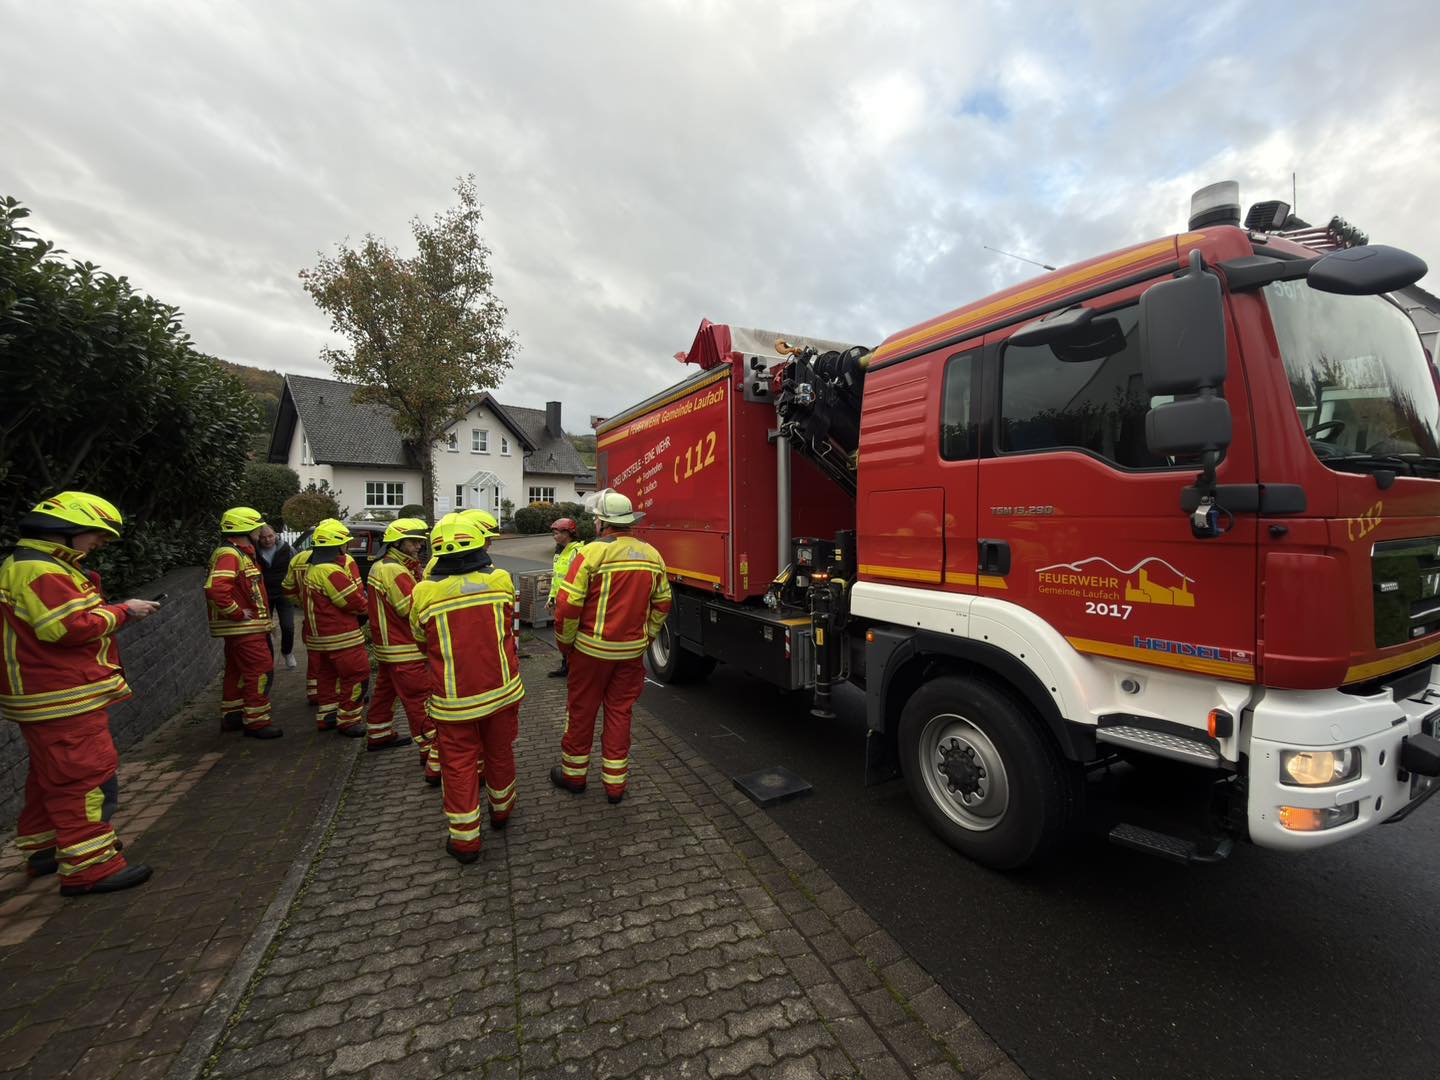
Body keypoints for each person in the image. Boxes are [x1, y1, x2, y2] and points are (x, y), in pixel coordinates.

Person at [0, 491, 158, 895]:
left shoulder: (33, 565)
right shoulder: (41, 570)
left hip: (44, 692)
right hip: (61, 691)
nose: (100, 543)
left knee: (50, 775)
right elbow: (67, 627)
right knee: (85, 777)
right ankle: (90, 866)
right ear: (66, 529)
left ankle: (45, 849)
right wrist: (124, 611)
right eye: (95, 534)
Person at [410, 513, 522, 864]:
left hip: (454, 699)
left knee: (458, 764)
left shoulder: (424, 592)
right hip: (502, 690)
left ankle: (465, 841)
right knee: (499, 751)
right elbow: (508, 624)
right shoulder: (501, 580)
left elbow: (419, 640)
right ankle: (501, 811)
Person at [550, 490, 671, 803]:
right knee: (620, 712)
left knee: (581, 712)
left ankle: (574, 777)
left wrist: (565, 644)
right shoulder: (652, 554)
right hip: (631, 653)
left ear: (602, 523)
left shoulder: (590, 554)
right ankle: (615, 785)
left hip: (591, 651)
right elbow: (663, 603)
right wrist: (647, 637)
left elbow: (568, 606)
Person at [205, 506, 281, 739]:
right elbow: (216, 589)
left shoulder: (238, 553)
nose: (260, 533)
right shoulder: (231, 555)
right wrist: (237, 613)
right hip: (246, 630)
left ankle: (233, 715)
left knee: (236, 671)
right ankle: (257, 722)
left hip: (243, 630)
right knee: (260, 671)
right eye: (257, 528)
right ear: (245, 529)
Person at [364, 518, 430, 757]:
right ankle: (431, 750)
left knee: (384, 693)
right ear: (398, 543)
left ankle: (379, 734)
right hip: (404, 647)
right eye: (413, 542)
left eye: (419, 542)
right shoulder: (393, 569)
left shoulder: (384, 565)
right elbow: (408, 608)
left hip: (388, 647)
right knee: (419, 699)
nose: (418, 546)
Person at [302, 519, 370, 736]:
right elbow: (353, 602)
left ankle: (327, 715)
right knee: (357, 675)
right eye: (345, 543)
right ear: (338, 545)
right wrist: (366, 606)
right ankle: (349, 720)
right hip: (341, 636)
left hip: (320, 637)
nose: (347, 547)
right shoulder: (331, 571)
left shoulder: (313, 568)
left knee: (328, 677)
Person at [545, 517, 584, 678]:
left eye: (557, 533)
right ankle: (566, 666)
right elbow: (557, 579)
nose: (554, 536)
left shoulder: (577, 551)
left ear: (567, 533)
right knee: (562, 635)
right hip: (561, 601)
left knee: (573, 636)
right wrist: (551, 599)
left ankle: (575, 669)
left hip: (572, 602)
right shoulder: (559, 552)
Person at [256, 524, 297, 670]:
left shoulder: (287, 549)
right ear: (258, 538)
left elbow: (296, 568)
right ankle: (269, 659)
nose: (267, 540)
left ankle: (287, 652)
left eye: (270, 536)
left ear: (275, 535)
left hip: (283, 594)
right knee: (264, 629)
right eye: (263, 537)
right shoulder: (254, 551)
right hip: (264, 595)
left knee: (288, 627)